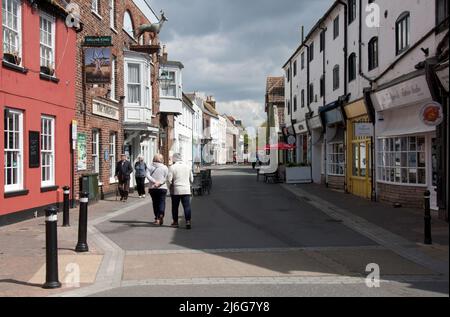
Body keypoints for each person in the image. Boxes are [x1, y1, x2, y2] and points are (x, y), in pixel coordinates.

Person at [167, 153, 194, 229]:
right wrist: (188, 184)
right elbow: (192, 179)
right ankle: (188, 221)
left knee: (175, 207)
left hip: (176, 190)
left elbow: (169, 180)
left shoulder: (172, 167)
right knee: (187, 206)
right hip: (186, 189)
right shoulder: (188, 167)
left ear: (174, 159)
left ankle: (175, 222)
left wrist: (169, 187)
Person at [146, 154, 169, 226]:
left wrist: (154, 182)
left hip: (153, 188)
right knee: (162, 202)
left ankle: (157, 218)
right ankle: (161, 214)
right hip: (162, 188)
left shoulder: (149, 166)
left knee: (155, 203)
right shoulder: (165, 167)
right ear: (161, 159)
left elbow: (147, 176)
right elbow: (166, 178)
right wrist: (159, 183)